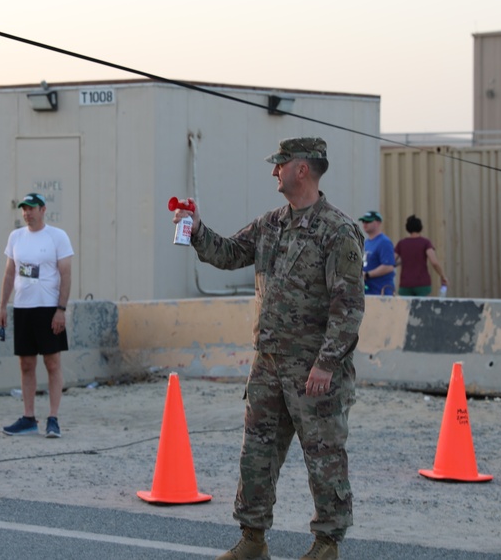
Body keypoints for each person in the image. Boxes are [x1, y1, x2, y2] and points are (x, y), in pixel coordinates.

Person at [174, 137, 365, 560]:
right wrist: (196, 228)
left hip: (313, 370)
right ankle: (253, 539)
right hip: (268, 364)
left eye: (280, 164)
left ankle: (327, 544)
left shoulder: (338, 231)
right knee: (256, 454)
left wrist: (326, 365)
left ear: (302, 169)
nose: (273, 171)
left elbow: (348, 306)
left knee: (323, 457)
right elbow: (226, 255)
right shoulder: (270, 224)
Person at [0, 192, 73, 439]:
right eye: (24, 209)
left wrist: (61, 309)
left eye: (31, 208)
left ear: (42, 209)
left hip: (48, 307)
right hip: (23, 308)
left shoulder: (57, 237)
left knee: (52, 362)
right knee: (26, 363)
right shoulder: (16, 237)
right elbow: (10, 273)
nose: (27, 213)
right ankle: (29, 417)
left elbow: (66, 274)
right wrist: (2, 306)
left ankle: (53, 418)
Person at [394, 215, 449, 297]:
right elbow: (434, 262)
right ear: (420, 227)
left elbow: (391, 261)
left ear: (407, 228)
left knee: (407, 308)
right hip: (422, 284)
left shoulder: (401, 243)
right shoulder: (425, 242)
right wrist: (442, 275)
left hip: (405, 284)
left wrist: (404, 260)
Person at [359, 210, 395, 296]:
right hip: (367, 291)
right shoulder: (366, 243)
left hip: (381, 292)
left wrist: (367, 275)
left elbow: (388, 266)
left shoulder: (384, 242)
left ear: (378, 223)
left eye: (368, 221)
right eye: (363, 221)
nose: (365, 224)